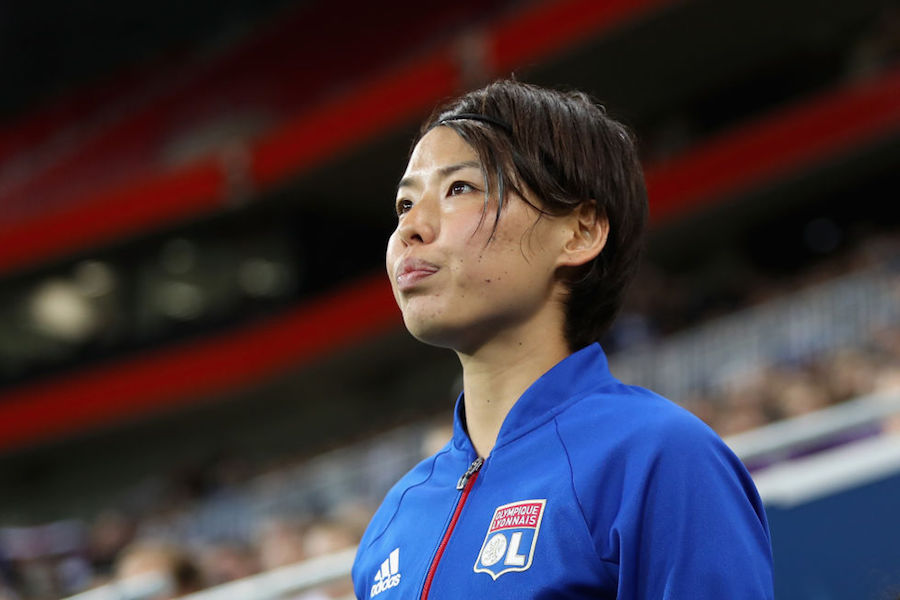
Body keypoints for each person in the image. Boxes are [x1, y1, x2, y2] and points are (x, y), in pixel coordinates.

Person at [351, 80, 773, 599]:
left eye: (460, 188)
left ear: (579, 232)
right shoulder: (394, 522)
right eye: (404, 204)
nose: (410, 229)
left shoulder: (657, 458)